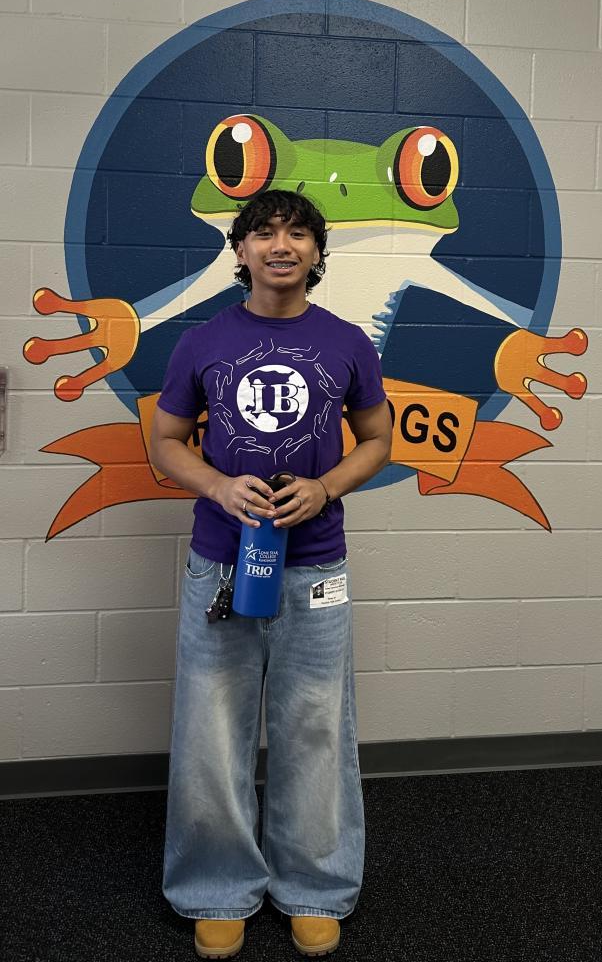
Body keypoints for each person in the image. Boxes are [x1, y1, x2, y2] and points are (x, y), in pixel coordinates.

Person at [151, 189, 392, 960]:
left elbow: (378, 439)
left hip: (316, 564)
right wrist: (218, 486)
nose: (280, 244)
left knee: (315, 724)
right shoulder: (202, 342)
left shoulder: (348, 343)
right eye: (263, 232)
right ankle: (216, 886)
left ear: (317, 253)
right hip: (222, 562)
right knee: (211, 726)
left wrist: (326, 487)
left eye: (296, 233)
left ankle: (314, 884)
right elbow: (165, 441)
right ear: (241, 250)